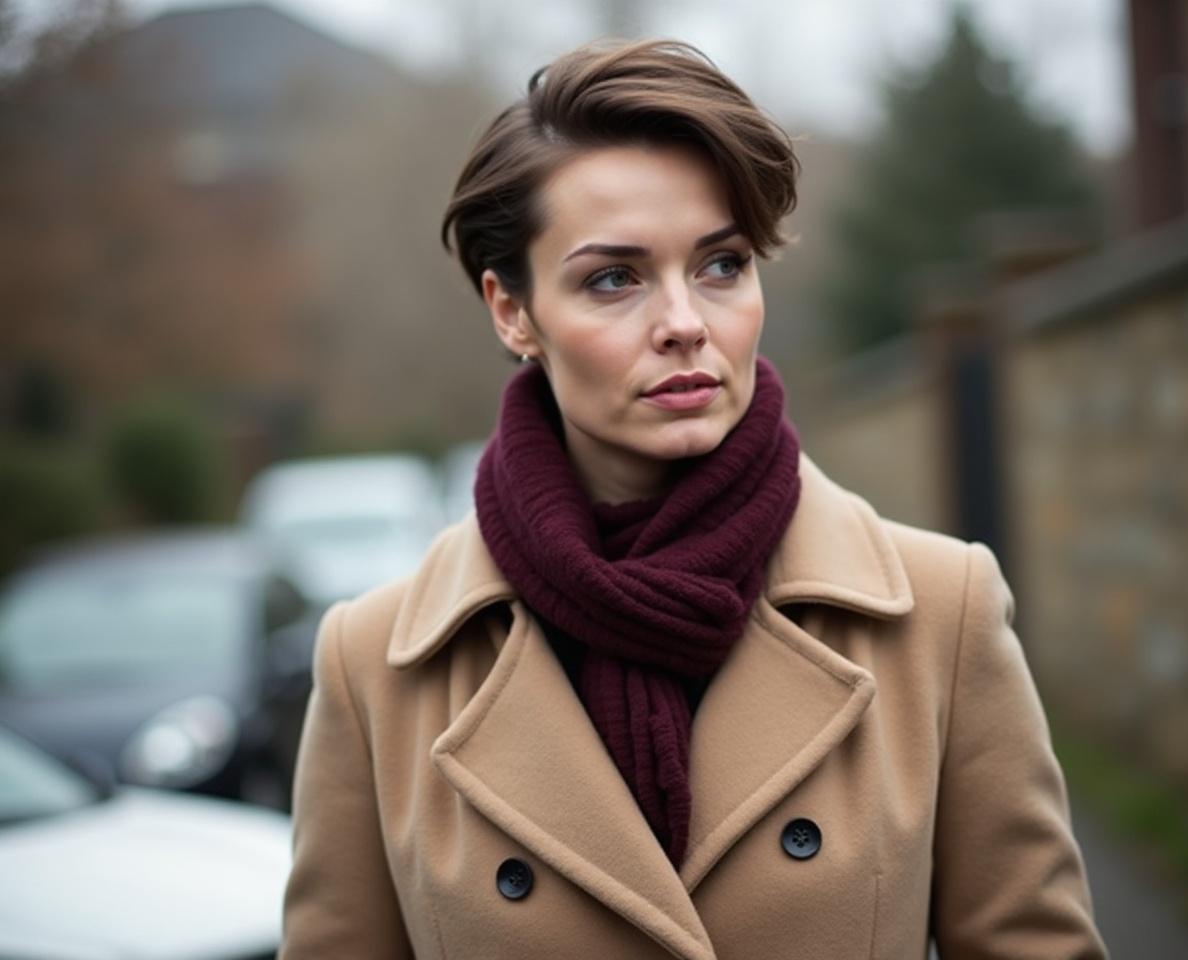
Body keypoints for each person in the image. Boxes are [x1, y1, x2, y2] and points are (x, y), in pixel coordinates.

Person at [279, 38, 1108, 960]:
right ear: (512, 312)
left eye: (721, 265)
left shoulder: (939, 612)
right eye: (613, 278)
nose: (684, 323)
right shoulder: (374, 668)